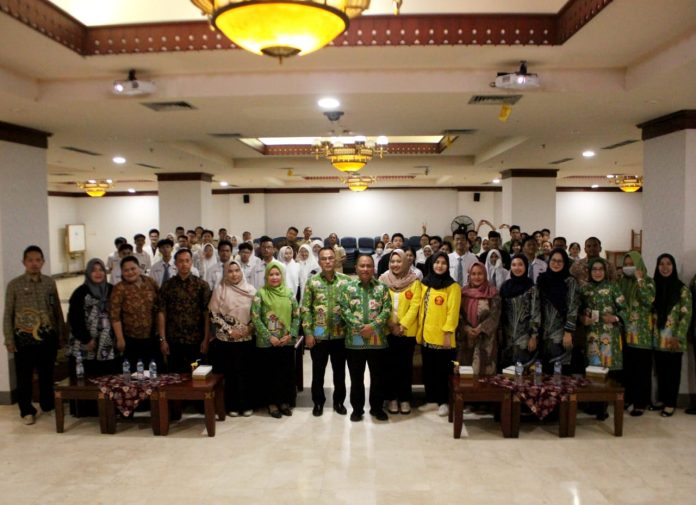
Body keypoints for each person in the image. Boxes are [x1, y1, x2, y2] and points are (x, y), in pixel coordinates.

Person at [3, 245, 66, 424]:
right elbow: (8, 313)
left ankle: (47, 405)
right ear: (24, 262)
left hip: (48, 336)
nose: (34, 263)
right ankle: (26, 410)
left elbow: (56, 310)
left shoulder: (49, 282)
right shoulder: (14, 285)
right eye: (30, 260)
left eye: (38, 260)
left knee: (47, 373)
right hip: (23, 338)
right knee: (24, 375)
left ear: (43, 262)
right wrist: (8, 338)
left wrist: (60, 332)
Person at [339, 254, 391, 422]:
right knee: (356, 378)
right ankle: (357, 409)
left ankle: (376, 408)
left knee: (378, 377)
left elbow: (387, 309)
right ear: (356, 268)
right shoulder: (348, 288)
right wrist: (360, 327)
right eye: (362, 266)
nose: (366, 269)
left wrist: (372, 327)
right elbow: (344, 309)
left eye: (369, 266)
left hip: (378, 342)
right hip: (355, 342)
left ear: (373, 268)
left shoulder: (382, 288)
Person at [301, 247, 350, 417]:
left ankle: (339, 402)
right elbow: (305, 308)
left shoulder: (345, 281)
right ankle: (318, 402)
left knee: (340, 373)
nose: (328, 261)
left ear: (335, 260)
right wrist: (308, 332)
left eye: (330, 258)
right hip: (318, 336)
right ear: (319, 261)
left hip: (340, 336)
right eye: (324, 259)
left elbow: (352, 306)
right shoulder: (312, 282)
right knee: (318, 372)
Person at [204, 260, 256, 417]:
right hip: (226, 341)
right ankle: (232, 405)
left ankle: (246, 404)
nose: (234, 274)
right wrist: (229, 330)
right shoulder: (220, 289)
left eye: (237, 270)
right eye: (230, 271)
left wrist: (249, 328)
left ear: (242, 272)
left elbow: (257, 313)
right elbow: (213, 314)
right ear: (225, 273)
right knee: (230, 374)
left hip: (246, 338)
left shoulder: (251, 290)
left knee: (245, 373)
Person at [251, 262, 300, 418]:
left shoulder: (289, 293)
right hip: (267, 343)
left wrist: (290, 335)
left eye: (277, 274)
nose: (274, 277)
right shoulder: (260, 294)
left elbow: (296, 315)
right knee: (269, 373)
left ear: (282, 276)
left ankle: (284, 401)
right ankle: (272, 403)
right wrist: (269, 336)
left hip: (286, 341)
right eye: (271, 274)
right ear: (266, 276)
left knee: (285, 372)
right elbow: (255, 318)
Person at [417, 252, 461, 417]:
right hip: (426, 335)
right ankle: (432, 400)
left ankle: (444, 402)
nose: (440, 266)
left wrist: (448, 332)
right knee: (429, 370)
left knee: (444, 371)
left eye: (443, 263)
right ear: (432, 264)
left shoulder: (453, 287)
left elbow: (453, 312)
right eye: (437, 262)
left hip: (444, 338)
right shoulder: (425, 284)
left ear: (447, 266)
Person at [380, 249, 421, 415]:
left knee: (405, 367)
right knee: (389, 366)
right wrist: (391, 324)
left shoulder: (414, 281)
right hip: (387, 330)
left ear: (405, 262)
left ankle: (404, 398)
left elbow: (415, 305)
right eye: (393, 261)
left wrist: (402, 325)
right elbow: (381, 303)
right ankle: (391, 398)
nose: (395, 264)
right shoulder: (383, 280)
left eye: (399, 261)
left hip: (406, 332)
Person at [651, 253, 692, 417]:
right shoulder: (654, 288)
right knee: (660, 372)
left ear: (673, 267)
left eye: (669, 264)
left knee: (672, 373)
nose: (665, 267)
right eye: (661, 264)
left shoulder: (682, 289)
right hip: (657, 340)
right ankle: (661, 400)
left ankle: (670, 403)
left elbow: (686, 315)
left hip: (674, 340)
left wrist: (679, 336)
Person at [158, 249, 212, 373]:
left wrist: (206, 338)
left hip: (196, 342)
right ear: (175, 264)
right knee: (174, 377)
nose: (184, 264)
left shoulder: (202, 286)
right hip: (173, 341)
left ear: (191, 262)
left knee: (197, 375)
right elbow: (161, 313)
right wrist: (162, 340)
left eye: (187, 261)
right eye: (180, 261)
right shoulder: (167, 286)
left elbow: (207, 314)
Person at [617, 252, 655, 417]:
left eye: (632, 263)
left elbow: (649, 300)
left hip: (642, 335)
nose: (629, 267)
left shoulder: (648, 282)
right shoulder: (621, 283)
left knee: (642, 371)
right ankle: (629, 399)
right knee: (628, 370)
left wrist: (640, 280)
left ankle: (640, 403)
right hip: (624, 333)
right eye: (626, 263)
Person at [67, 258, 118, 377]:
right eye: (94, 270)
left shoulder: (112, 290)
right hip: (85, 341)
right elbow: (75, 319)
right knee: (88, 377)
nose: (98, 273)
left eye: (101, 270)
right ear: (88, 273)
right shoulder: (80, 292)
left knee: (107, 376)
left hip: (107, 341)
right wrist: (86, 338)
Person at [110, 256, 160, 371]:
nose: (130, 272)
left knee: (153, 371)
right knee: (134, 373)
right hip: (131, 339)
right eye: (126, 270)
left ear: (139, 268)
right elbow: (114, 316)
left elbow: (160, 306)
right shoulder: (119, 288)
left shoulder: (150, 282)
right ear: (122, 272)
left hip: (152, 337)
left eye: (133, 268)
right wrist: (120, 338)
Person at [580, 259, 627, 373]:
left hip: (610, 336)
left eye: (600, 269)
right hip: (591, 336)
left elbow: (626, 309)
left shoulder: (613, 287)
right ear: (590, 272)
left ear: (605, 271)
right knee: (593, 373)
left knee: (611, 377)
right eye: (594, 269)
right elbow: (577, 310)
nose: (597, 272)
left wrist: (615, 318)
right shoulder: (584, 288)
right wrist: (582, 319)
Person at [537, 248, 579, 373]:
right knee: (543, 372)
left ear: (565, 263)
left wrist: (568, 332)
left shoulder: (570, 281)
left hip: (561, 333)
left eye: (560, 261)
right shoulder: (542, 279)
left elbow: (573, 307)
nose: (556, 264)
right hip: (543, 332)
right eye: (553, 260)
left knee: (559, 371)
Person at [457, 263, 501, 376]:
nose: (477, 277)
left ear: (485, 275)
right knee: (466, 374)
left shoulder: (493, 293)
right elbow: (458, 316)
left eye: (480, 274)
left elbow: (495, 316)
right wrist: (466, 329)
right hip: (467, 340)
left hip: (486, 340)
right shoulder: (463, 293)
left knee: (485, 374)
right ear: (469, 276)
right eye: (474, 274)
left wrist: (480, 329)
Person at [499, 255, 539, 368]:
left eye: (520, 264)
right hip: (507, 338)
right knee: (506, 373)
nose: (517, 268)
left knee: (522, 372)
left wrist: (533, 337)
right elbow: (501, 312)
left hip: (524, 339)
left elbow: (535, 313)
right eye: (514, 265)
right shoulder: (505, 287)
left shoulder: (532, 288)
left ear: (526, 266)